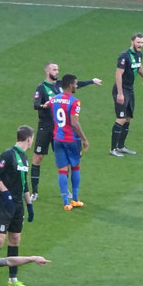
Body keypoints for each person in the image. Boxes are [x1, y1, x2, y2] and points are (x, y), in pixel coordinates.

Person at [31, 62, 100, 201]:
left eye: (57, 69)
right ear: (47, 71)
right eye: (54, 70)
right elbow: (35, 104)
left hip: (59, 129)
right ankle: (35, 191)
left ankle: (66, 191)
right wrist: (42, 105)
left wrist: (91, 81)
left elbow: (76, 84)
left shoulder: (61, 85)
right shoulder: (41, 88)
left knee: (64, 160)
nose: (57, 72)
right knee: (38, 158)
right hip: (46, 127)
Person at [0, 126, 35, 286]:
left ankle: (13, 279)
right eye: (32, 138)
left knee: (15, 239)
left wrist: (30, 204)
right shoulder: (8, 154)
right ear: (29, 139)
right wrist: (6, 194)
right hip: (4, 203)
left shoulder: (24, 158)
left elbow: (24, 184)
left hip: (18, 205)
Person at [50, 74, 89, 210]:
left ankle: (65, 202)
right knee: (75, 167)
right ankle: (75, 199)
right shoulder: (75, 102)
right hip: (71, 139)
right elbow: (74, 123)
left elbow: (47, 107)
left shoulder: (54, 99)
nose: (77, 86)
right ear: (71, 85)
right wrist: (84, 139)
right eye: (76, 84)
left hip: (57, 139)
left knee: (62, 170)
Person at [110, 33, 143, 157]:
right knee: (121, 118)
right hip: (121, 90)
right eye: (138, 42)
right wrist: (120, 93)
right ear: (132, 42)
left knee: (128, 118)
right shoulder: (124, 56)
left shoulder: (139, 55)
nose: (140, 45)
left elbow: (139, 66)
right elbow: (118, 74)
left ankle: (121, 146)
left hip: (130, 89)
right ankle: (113, 149)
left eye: (142, 42)